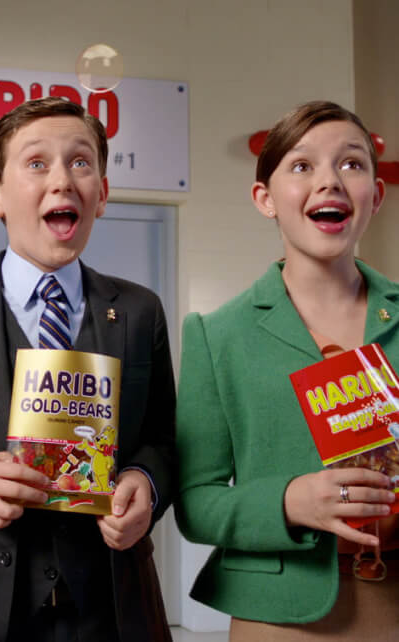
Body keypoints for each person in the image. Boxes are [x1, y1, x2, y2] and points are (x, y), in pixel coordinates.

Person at [0, 96, 176, 641]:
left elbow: (164, 440)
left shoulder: (139, 310)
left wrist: (145, 482)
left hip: (112, 605)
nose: (62, 180)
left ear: (101, 194)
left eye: (80, 163)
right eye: (36, 163)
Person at [175, 101, 397, 640]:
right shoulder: (216, 334)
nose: (330, 182)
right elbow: (195, 502)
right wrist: (289, 502)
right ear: (265, 199)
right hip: (277, 614)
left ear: (376, 195)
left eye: (352, 164)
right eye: (302, 166)